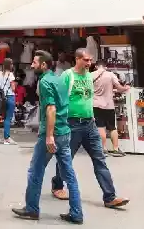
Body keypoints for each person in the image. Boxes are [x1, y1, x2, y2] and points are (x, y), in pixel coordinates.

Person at [50, 48, 129, 209]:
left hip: (89, 124)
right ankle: (57, 185)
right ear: (77, 59)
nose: (89, 63)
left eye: (90, 60)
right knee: (66, 158)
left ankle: (110, 196)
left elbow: (89, 97)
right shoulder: (67, 76)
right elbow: (57, 99)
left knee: (99, 159)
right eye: (86, 60)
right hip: (72, 124)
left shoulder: (89, 76)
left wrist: (92, 116)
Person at [12, 51, 83, 224]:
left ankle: (31, 209)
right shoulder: (59, 80)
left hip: (52, 134)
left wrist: (49, 136)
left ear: (43, 65)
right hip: (64, 131)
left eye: (35, 62)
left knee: (36, 170)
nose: (32, 65)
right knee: (69, 175)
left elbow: (51, 109)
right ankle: (76, 213)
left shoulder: (44, 82)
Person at [92, 59, 130, 156]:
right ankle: (116, 149)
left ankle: (103, 149)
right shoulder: (110, 75)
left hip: (96, 104)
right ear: (106, 66)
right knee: (112, 127)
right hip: (109, 105)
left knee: (100, 127)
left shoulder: (91, 75)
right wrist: (126, 88)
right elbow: (119, 88)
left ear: (96, 66)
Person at [0, 58, 17, 145]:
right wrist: (15, 85)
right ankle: (6, 138)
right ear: (9, 65)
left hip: (2, 98)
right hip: (10, 97)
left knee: (5, 117)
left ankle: (6, 137)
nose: (12, 65)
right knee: (8, 118)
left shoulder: (0, 74)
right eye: (11, 64)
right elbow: (13, 88)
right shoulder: (11, 75)